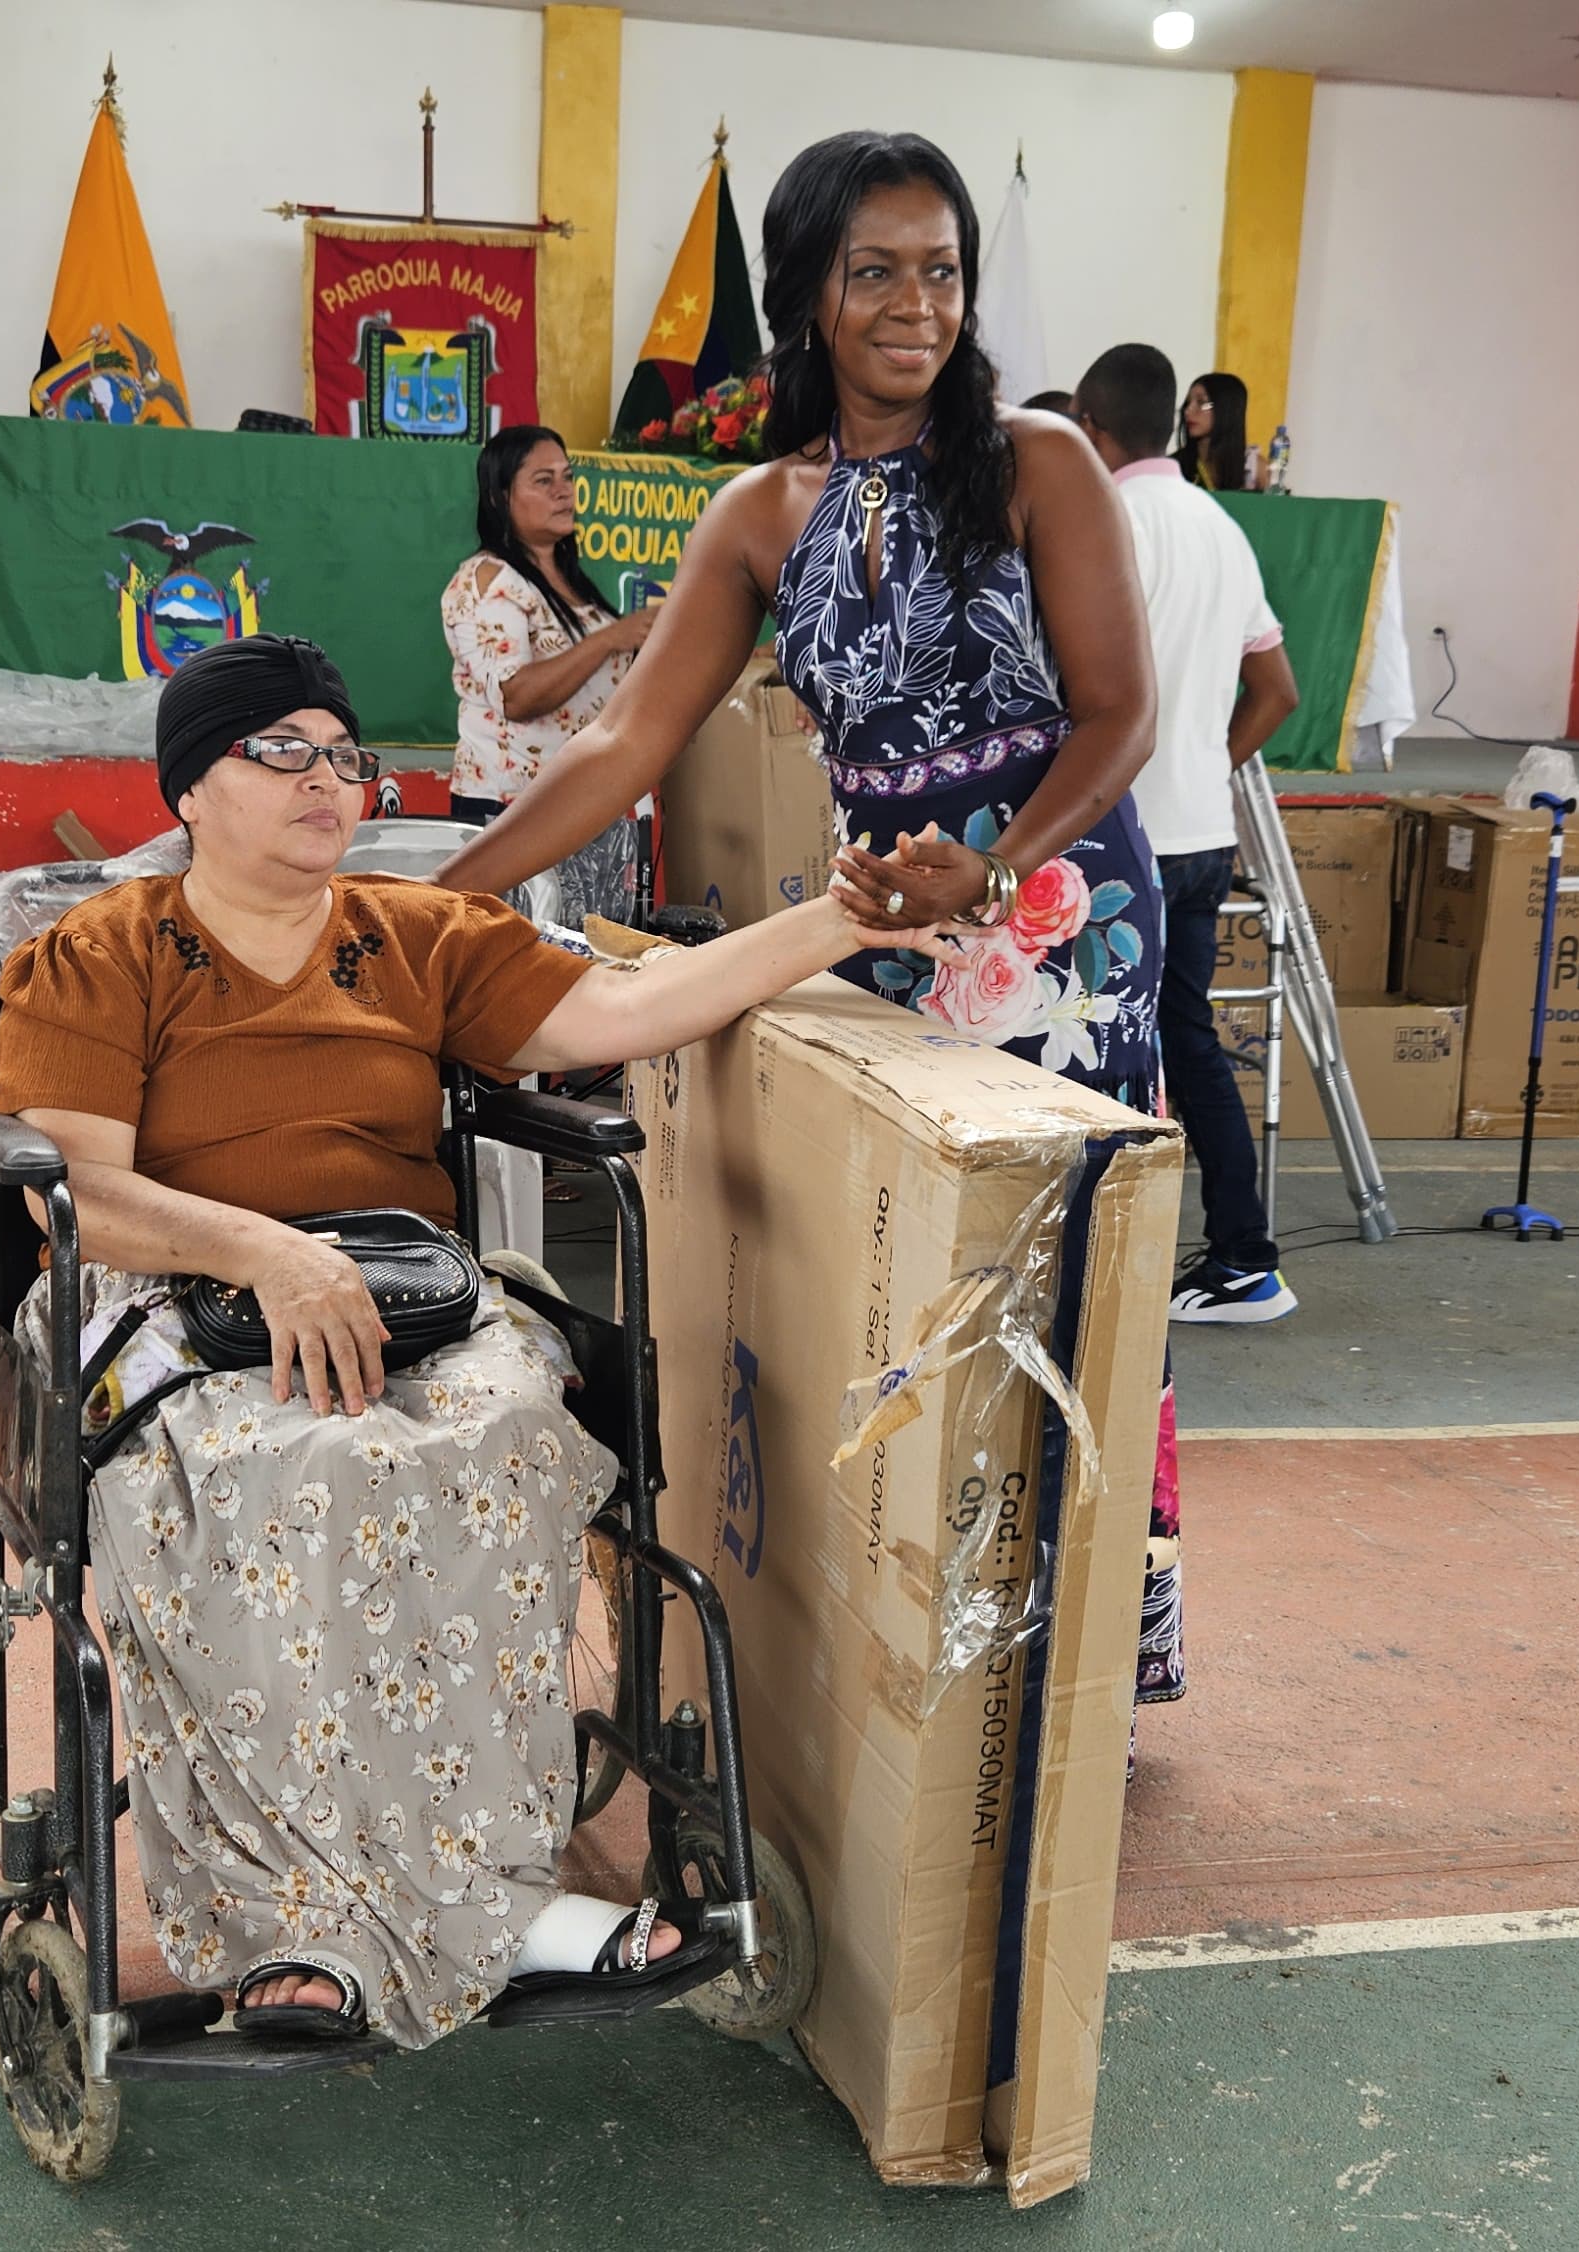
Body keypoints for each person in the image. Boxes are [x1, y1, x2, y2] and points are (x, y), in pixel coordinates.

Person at [0, 634, 943, 2045]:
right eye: (281, 752)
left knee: (505, 1442)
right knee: (303, 1473)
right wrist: (267, 1251)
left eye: (345, 755)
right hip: (170, 1289)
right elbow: (79, 1187)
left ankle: (492, 1898)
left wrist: (843, 920)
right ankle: (295, 1927)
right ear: (189, 786)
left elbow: (629, 1009)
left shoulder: (419, 932)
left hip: (404, 1286)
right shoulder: (103, 952)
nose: (327, 780)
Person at [434, 128, 1180, 1700]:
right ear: (806, 297)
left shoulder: (1039, 461)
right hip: (875, 929)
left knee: (1060, 1264)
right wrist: (432, 898)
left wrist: (996, 868)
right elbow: (625, 746)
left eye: (943, 271)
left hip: (1055, 929)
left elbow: (1122, 716)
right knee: (910, 1268)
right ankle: (923, 1644)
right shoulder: (763, 511)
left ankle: (1080, 1646)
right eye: (876, 271)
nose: (918, 305)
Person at [1073, 344, 1301, 1325]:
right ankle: (1242, 1254)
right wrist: (1205, 761)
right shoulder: (1222, 527)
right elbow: (1277, 690)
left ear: (1088, 427)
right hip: (1202, 831)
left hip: (1121, 834)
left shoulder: (1103, 524)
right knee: (1187, 1040)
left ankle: (1099, 1262)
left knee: (1091, 1044)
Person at [441, 426, 657, 931]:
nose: (564, 491)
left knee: (583, 955)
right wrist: (609, 639)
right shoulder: (486, 580)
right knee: (519, 957)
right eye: (543, 480)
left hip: (584, 805)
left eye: (567, 477)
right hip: (510, 810)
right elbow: (516, 696)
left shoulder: (568, 579)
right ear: (500, 497)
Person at [1179, 371, 1259, 494]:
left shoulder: (1253, 467)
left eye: (1201, 402)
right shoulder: (1175, 465)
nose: (1188, 411)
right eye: (1188, 403)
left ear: (1226, 409)